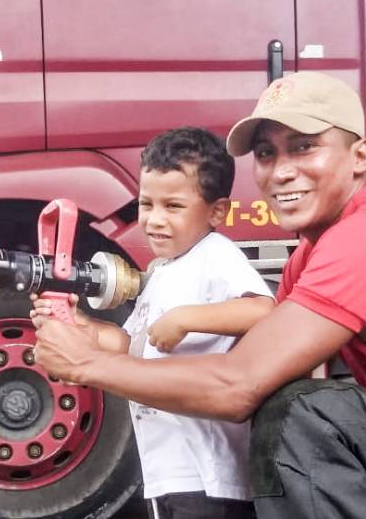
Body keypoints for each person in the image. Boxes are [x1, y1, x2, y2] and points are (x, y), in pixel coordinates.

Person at [33, 72, 366, 518]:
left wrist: (87, 368)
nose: (280, 170)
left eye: (304, 147)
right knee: (295, 406)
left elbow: (236, 387)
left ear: (360, 156)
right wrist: (102, 342)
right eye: (266, 153)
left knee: (303, 417)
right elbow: (245, 369)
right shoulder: (311, 253)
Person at [31, 126, 274, 519]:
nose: (154, 220)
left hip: (208, 477)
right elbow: (132, 346)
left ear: (216, 212)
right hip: (168, 471)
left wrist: (186, 318)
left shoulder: (216, 255)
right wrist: (84, 329)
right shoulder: (163, 270)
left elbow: (263, 310)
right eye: (147, 204)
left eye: (173, 207)